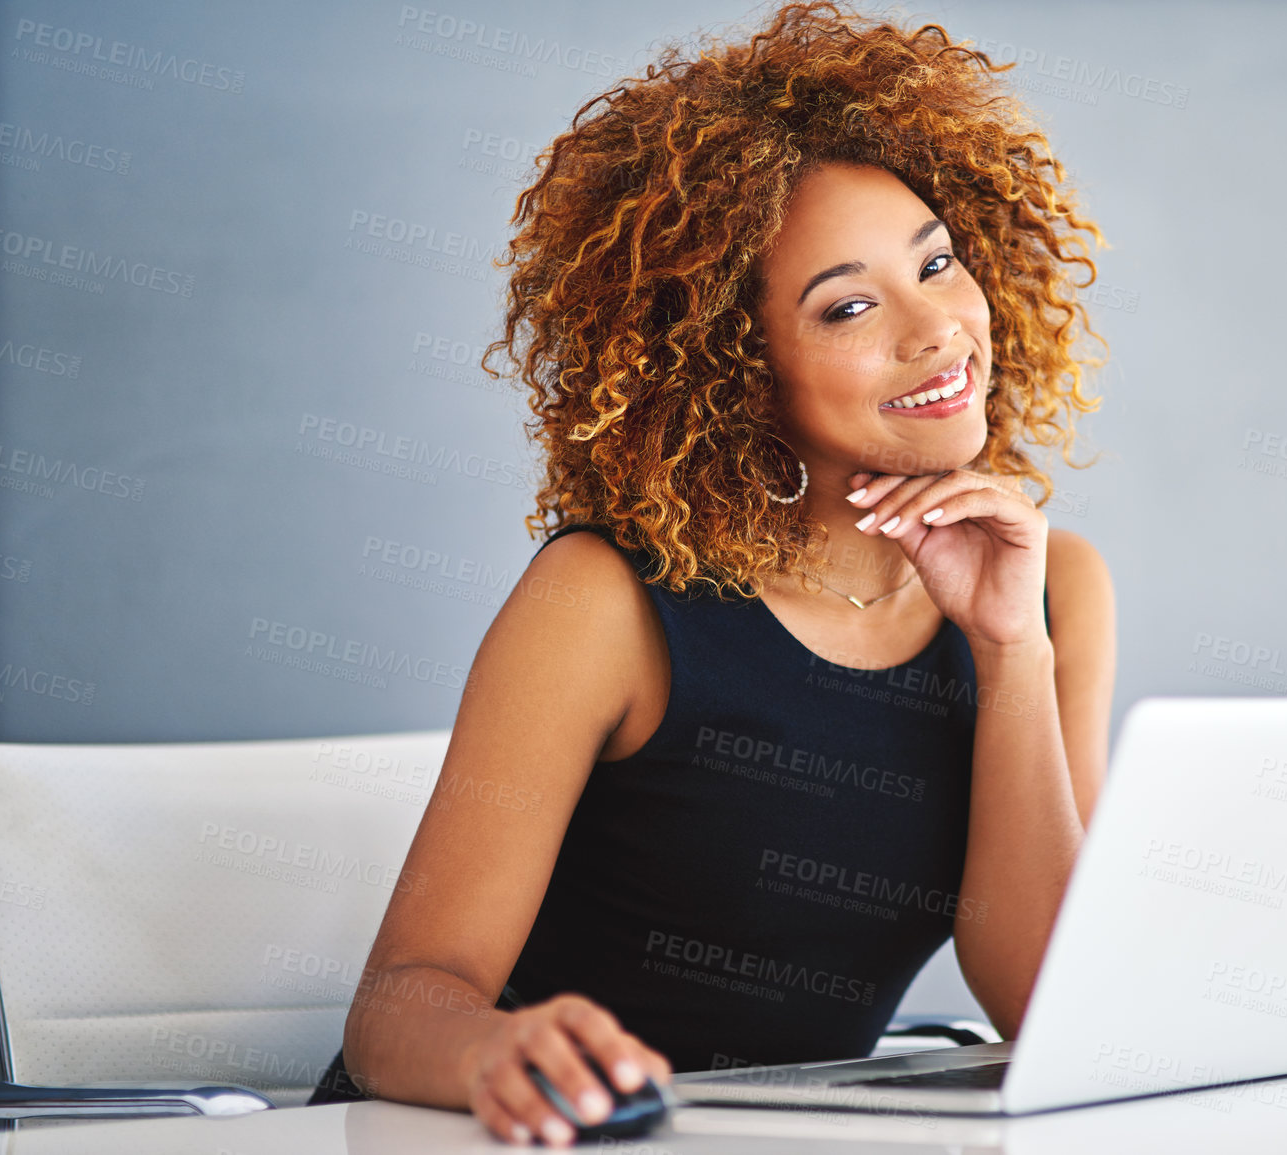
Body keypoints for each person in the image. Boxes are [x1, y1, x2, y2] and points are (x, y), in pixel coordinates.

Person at [309, 1, 1117, 1145]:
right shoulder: (606, 605)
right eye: (847, 305)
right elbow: (397, 1012)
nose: (938, 327)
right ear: (738, 374)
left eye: (937, 263)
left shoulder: (1050, 592)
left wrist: (1008, 647)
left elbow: (1049, 1000)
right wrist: (501, 1049)